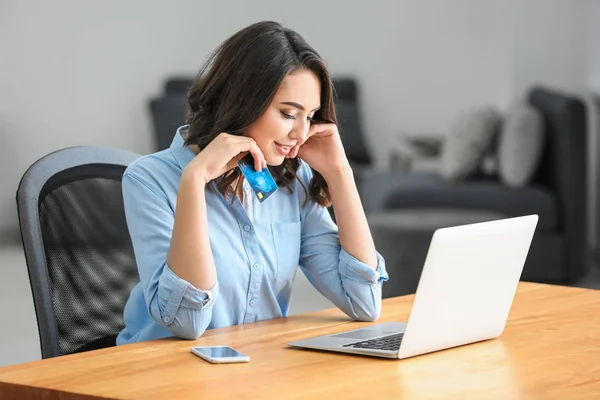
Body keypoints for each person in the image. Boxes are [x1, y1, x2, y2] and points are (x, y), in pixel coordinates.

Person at [115, 20, 389, 346]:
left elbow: (364, 302)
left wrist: (339, 173)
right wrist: (194, 180)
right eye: (288, 113)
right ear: (243, 101)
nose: (301, 134)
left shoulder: (291, 180)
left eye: (310, 116)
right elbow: (188, 322)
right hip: (159, 379)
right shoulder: (150, 179)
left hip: (255, 374)